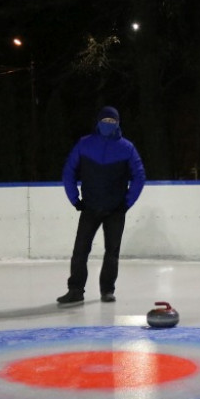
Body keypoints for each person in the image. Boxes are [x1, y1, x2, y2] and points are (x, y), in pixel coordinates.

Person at [57, 106, 146, 305]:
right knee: (80, 251)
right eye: (105, 121)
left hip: (115, 209)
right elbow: (68, 172)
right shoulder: (84, 144)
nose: (108, 124)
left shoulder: (127, 148)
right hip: (90, 207)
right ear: (97, 122)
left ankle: (107, 290)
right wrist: (75, 199)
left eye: (112, 121)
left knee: (110, 252)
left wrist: (126, 202)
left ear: (118, 123)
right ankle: (76, 290)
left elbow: (140, 176)